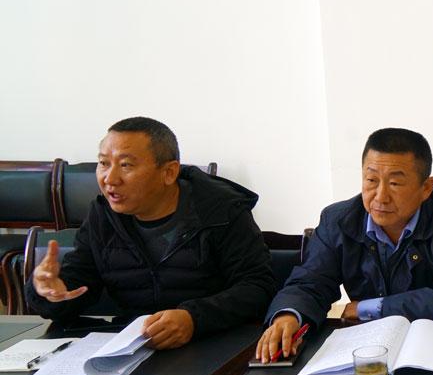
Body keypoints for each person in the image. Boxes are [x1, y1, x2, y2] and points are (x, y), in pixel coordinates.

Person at [26, 117, 276, 349]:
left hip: (212, 344)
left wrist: (193, 318)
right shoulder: (102, 216)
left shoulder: (221, 211)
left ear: (169, 172)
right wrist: (48, 291)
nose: (110, 179)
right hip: (133, 347)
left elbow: (257, 287)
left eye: (125, 165)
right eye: (103, 163)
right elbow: (78, 284)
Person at [256, 128, 433, 362]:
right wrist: (289, 315)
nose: (380, 196)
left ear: (426, 188)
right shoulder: (338, 220)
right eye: (371, 180)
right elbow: (310, 282)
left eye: (395, 183)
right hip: (368, 350)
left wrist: (369, 308)